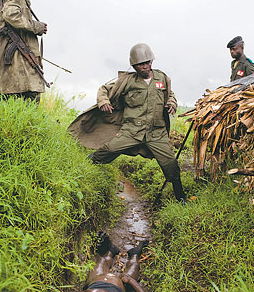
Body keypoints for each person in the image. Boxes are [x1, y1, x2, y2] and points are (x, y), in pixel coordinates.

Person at [67, 43, 186, 202]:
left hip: (157, 132)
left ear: (151, 61)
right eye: (140, 64)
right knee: (109, 149)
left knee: (170, 164)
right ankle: (82, 170)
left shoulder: (162, 78)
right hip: (131, 131)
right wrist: (103, 101)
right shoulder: (127, 81)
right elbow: (104, 89)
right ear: (134, 66)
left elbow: (170, 95)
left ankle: (181, 197)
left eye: (147, 63)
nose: (145, 67)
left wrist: (172, 103)